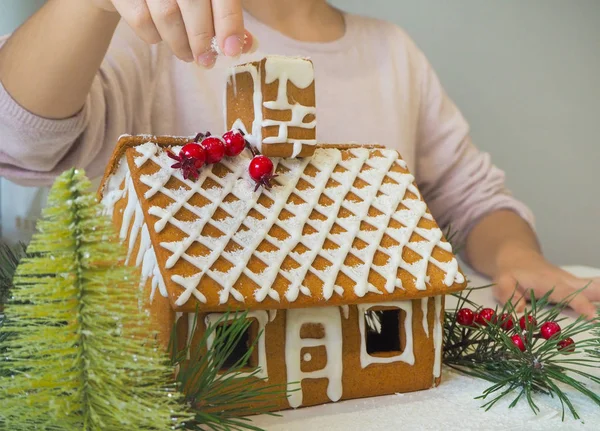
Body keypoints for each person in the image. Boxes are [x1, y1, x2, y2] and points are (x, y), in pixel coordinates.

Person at [0, 0, 597, 317]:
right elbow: (20, 139)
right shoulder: (148, 28)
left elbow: (473, 199)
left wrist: (518, 254)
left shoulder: (392, 53)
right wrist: (90, 5)